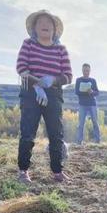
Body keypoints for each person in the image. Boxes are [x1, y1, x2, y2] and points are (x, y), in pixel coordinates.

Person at [16, 10, 72, 183]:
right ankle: (23, 170)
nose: (44, 25)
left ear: (55, 29)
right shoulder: (28, 45)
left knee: (56, 133)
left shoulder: (61, 50)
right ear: (34, 28)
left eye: (48, 23)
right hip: (31, 93)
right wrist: (37, 84)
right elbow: (21, 68)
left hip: (54, 94)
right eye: (40, 22)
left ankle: (57, 171)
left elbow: (68, 76)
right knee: (28, 132)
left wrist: (53, 80)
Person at [75, 63, 101, 144]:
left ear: (89, 71)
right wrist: (85, 92)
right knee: (81, 123)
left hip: (92, 104)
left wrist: (92, 92)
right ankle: (79, 141)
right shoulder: (78, 80)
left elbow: (97, 92)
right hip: (82, 104)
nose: (86, 72)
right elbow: (76, 92)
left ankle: (97, 140)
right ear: (82, 71)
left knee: (95, 122)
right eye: (84, 70)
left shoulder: (93, 81)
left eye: (87, 70)